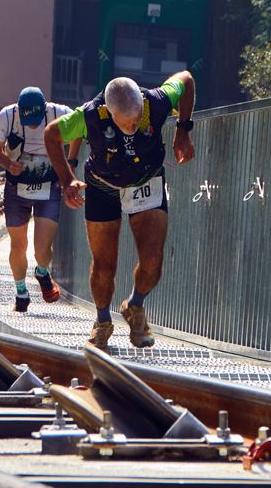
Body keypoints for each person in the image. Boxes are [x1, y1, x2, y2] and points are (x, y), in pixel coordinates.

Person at [44, 71, 195, 349]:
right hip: (103, 184)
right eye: (128, 123)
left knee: (152, 260)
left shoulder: (158, 100)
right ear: (110, 113)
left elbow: (186, 80)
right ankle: (102, 322)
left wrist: (183, 130)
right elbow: (52, 133)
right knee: (104, 266)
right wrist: (67, 180)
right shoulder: (89, 116)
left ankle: (135, 306)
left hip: (145, 180)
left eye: (139, 119)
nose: (135, 125)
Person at [0, 87, 81, 312]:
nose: (33, 125)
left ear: (45, 108)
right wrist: (9, 164)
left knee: (42, 249)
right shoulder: (7, 116)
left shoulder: (58, 113)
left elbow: (78, 130)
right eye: (29, 120)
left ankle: (41, 271)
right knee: (18, 244)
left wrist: (71, 162)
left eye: (37, 120)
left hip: (48, 186)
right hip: (16, 187)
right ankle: (21, 292)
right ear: (19, 111)